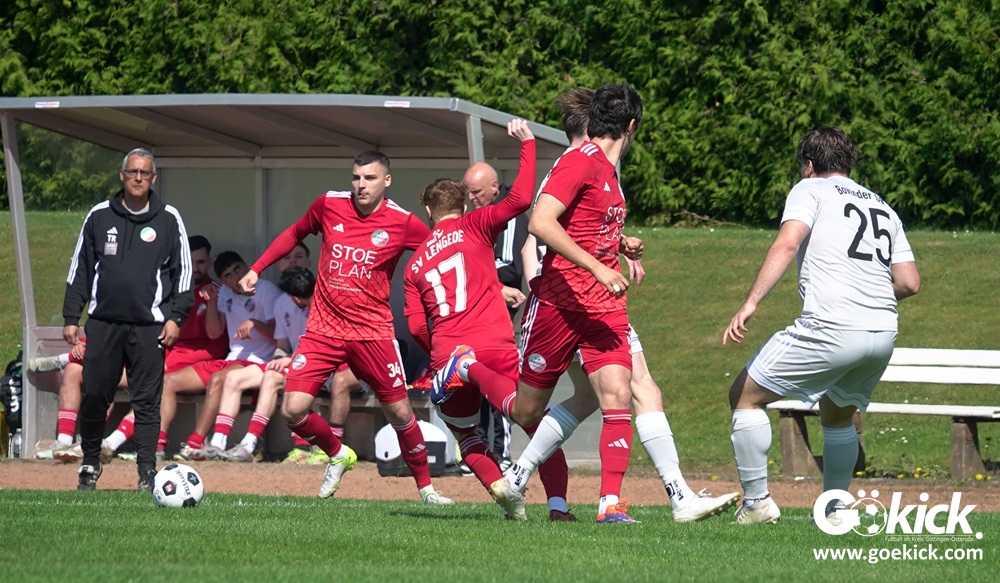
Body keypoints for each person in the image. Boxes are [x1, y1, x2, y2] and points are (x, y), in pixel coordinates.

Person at [450, 88, 738, 522]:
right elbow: (540, 223)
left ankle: (634, 503)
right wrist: (598, 267)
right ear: (632, 127)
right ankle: (475, 384)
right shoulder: (580, 160)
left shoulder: (607, 170)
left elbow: (586, 224)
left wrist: (622, 245)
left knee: (620, 393)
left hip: (603, 307)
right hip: (559, 306)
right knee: (527, 409)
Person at [722, 126, 920, 524]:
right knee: (837, 413)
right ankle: (834, 510)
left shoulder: (809, 189)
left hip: (832, 325)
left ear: (809, 165)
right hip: (883, 331)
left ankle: (757, 503)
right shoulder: (882, 206)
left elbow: (788, 242)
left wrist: (751, 302)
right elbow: (909, 282)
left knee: (744, 396)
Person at [238, 150, 452, 504]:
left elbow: (441, 253)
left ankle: (427, 490)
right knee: (292, 409)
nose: (360, 185)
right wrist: (257, 268)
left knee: (400, 413)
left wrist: (490, 285)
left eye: (369, 178)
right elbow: (294, 232)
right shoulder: (330, 204)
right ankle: (338, 453)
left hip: (373, 333)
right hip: (323, 329)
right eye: (356, 177)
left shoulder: (403, 221)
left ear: (387, 181)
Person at [407, 120, 572, 521]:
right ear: (464, 206)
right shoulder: (476, 224)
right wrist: (528, 144)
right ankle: (558, 506)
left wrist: (439, 354)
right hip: (493, 346)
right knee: (536, 424)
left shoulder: (415, 263)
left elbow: (414, 327)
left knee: (467, 436)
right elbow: (520, 200)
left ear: (428, 211)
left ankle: (504, 493)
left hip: (447, 355)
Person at [62, 147, 193, 491]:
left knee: (147, 401)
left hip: (150, 327)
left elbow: (183, 274)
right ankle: (90, 462)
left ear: (153, 178)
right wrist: (72, 316)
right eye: (132, 172)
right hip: (104, 323)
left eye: (144, 173)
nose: (138, 178)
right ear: (122, 175)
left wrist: (176, 317)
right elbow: (80, 269)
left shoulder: (169, 218)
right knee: (95, 395)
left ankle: (147, 470)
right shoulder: (99, 215)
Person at [33, 235, 228, 463]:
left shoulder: (216, 291)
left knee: (148, 383)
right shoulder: (169, 288)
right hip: (159, 352)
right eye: (190, 263)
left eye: (201, 262)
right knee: (75, 371)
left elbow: (215, 339)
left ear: (210, 262)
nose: (195, 268)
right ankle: (64, 443)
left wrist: (211, 302)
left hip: (187, 361)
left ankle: (105, 443)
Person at [160, 251, 280, 460]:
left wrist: (255, 324)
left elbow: (279, 335)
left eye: (238, 269)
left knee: (217, 380)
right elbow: (214, 332)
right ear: (223, 280)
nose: (236, 278)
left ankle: (196, 443)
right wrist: (213, 302)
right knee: (167, 382)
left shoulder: (266, 290)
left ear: (247, 266)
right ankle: (158, 445)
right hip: (231, 360)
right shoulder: (224, 292)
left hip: (257, 362)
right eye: (228, 275)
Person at [462, 161, 530, 471]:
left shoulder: (508, 215)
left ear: (493, 187)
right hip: (473, 316)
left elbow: (511, 268)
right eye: (468, 192)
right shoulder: (472, 215)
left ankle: (501, 455)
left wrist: (481, 277)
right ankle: (477, 451)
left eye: (476, 192)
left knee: (499, 385)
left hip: (499, 318)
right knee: (473, 382)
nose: (471, 197)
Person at [214, 265, 316, 462]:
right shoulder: (282, 303)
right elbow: (282, 345)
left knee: (270, 378)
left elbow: (324, 350)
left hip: (317, 366)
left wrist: (290, 360)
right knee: (233, 377)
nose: (299, 301)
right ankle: (217, 444)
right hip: (293, 363)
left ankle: (249, 444)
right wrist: (278, 359)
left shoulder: (325, 307)